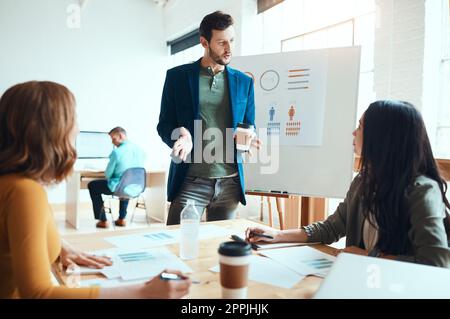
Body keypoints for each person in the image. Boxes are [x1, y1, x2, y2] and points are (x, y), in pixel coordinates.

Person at [0, 81, 191, 298]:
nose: (77, 128)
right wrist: (142, 293)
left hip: (116, 185)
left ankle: (102, 218)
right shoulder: (25, 192)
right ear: (50, 130)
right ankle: (118, 217)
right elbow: (37, 294)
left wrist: (59, 247)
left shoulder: (13, 183)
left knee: (94, 186)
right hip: (134, 186)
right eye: (73, 119)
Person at [246, 100, 450, 268]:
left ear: (382, 138)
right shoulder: (364, 180)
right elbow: (332, 227)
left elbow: (436, 264)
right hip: (363, 280)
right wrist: (276, 235)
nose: (354, 133)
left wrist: (370, 256)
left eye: (360, 126)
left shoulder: (422, 191)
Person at [157, 11, 260, 225]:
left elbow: (249, 124)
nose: (229, 48)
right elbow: (164, 124)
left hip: (230, 183)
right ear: (204, 42)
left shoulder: (244, 82)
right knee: (176, 243)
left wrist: (248, 135)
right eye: (222, 42)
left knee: (218, 248)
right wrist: (179, 135)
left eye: (231, 40)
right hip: (190, 180)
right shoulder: (177, 77)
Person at [88, 127, 145, 228]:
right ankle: (122, 218)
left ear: (121, 136)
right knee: (126, 183)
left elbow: (108, 174)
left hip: (119, 187)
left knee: (92, 185)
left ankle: (103, 220)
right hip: (136, 187)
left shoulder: (117, 152)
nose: (112, 143)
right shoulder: (140, 150)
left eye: (113, 139)